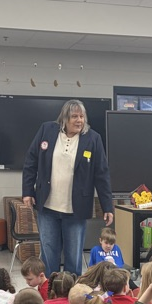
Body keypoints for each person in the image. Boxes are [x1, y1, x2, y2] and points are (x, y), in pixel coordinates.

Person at [22, 100, 114, 276]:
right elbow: (30, 161)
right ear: (64, 118)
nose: (79, 120)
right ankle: (50, 293)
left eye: (82, 116)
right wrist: (28, 191)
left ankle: (72, 295)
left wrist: (107, 206)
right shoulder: (46, 130)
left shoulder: (93, 138)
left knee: (73, 257)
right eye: (74, 116)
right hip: (47, 206)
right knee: (49, 255)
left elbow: (101, 174)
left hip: (76, 209)